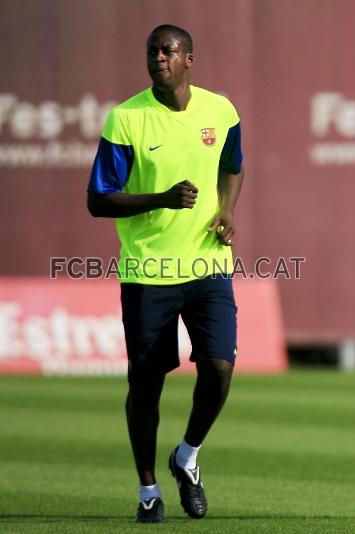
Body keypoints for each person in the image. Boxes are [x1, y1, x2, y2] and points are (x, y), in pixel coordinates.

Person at [87, 24, 244, 523]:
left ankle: (187, 455)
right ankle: (148, 489)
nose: (159, 57)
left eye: (168, 50)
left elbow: (234, 165)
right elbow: (98, 199)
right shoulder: (126, 119)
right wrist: (161, 198)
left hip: (207, 264)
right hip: (148, 270)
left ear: (189, 59)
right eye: (152, 50)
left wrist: (226, 211)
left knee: (219, 368)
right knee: (147, 384)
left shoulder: (221, 112)